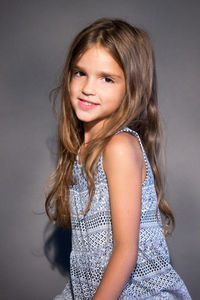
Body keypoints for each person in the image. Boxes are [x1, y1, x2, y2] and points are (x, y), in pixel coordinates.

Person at [45, 18, 191, 300]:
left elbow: (126, 252)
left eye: (107, 78)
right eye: (80, 73)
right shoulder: (82, 150)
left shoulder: (119, 146)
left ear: (131, 87)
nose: (88, 87)